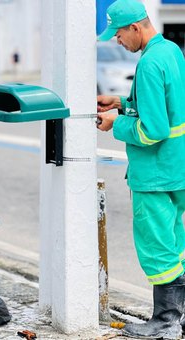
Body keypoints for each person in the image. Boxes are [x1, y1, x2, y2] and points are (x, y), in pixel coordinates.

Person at [97, 0, 185, 339]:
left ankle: (164, 323)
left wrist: (114, 123)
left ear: (135, 27)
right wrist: (122, 102)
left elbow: (153, 130)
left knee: (157, 248)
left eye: (118, 34)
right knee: (176, 244)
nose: (117, 41)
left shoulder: (148, 64)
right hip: (177, 168)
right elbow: (168, 103)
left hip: (155, 174)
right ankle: (178, 318)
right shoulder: (171, 51)